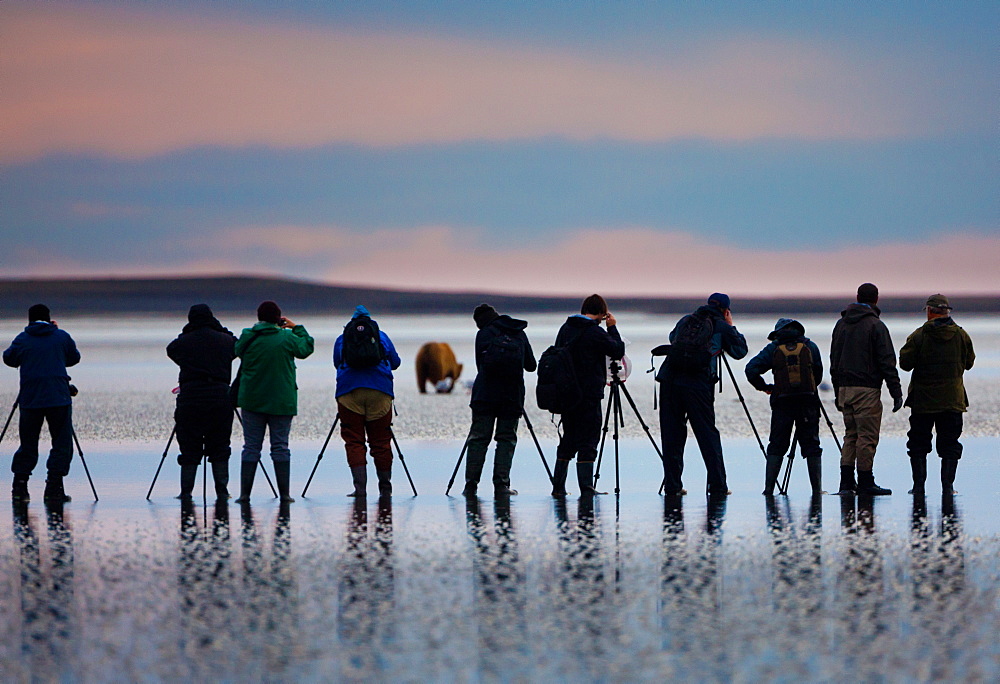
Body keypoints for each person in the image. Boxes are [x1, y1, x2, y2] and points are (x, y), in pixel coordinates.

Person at [657, 293, 747, 496]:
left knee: (672, 435)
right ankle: (717, 487)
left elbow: (673, 339)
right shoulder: (720, 325)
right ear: (726, 310)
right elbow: (740, 351)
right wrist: (730, 327)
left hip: (670, 380)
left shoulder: (686, 320)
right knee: (707, 435)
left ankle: (673, 486)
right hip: (698, 384)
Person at [234, 301, 314, 503]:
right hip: (281, 401)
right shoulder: (287, 337)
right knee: (280, 446)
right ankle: (285, 495)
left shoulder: (248, 336)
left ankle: (245, 495)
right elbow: (306, 348)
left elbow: (237, 350)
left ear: (259, 317)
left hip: (252, 400)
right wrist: (296, 327)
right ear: (278, 318)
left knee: (251, 447)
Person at [830, 283, 902, 496]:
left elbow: (834, 360)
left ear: (857, 297)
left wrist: (837, 391)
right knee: (867, 437)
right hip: (867, 389)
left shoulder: (841, 324)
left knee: (850, 435)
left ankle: (845, 483)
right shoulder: (876, 325)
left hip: (844, 389)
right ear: (876, 299)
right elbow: (887, 361)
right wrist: (896, 392)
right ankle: (865, 482)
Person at [898, 294, 975, 495]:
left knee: (918, 444)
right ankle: (948, 488)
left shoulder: (918, 336)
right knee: (950, 444)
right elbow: (969, 363)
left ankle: (918, 487)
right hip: (952, 401)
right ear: (947, 311)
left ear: (930, 311)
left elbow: (905, 365)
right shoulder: (961, 335)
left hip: (923, 401)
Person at [3, 304, 81, 503]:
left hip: (30, 399)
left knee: (28, 444)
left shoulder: (23, 339)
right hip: (58, 398)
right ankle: (53, 488)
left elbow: (9, 359)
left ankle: (19, 488)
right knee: (61, 443)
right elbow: (74, 358)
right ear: (49, 318)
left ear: (29, 320)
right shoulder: (61, 336)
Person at [550, 294, 625, 497]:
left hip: (567, 395)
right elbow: (617, 350)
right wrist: (612, 327)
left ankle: (558, 487)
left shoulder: (565, 329)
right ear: (601, 313)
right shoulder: (594, 332)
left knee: (569, 439)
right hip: (589, 395)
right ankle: (586, 488)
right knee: (589, 440)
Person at [462, 303, 537, 497]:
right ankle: (501, 485)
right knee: (506, 440)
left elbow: (481, 367)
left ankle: (470, 486)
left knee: (479, 439)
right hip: (511, 396)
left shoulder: (483, 334)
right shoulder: (518, 331)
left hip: (485, 396)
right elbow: (531, 365)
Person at [745, 318, 824, 496]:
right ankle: (817, 490)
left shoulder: (773, 348)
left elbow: (751, 369)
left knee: (777, 445)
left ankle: (769, 489)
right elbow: (817, 374)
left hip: (782, 403)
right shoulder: (810, 346)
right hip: (808, 402)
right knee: (812, 445)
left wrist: (766, 387)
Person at [166, 304, 237, 501]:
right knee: (220, 446)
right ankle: (222, 492)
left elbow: (171, 350)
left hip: (190, 398)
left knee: (189, 446)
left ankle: (186, 493)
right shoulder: (225, 340)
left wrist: (188, 332)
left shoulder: (184, 342)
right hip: (220, 398)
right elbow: (237, 345)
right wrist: (219, 328)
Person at [333, 305, 401, 498]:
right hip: (380, 391)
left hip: (349, 393)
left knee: (354, 440)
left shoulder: (343, 338)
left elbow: (337, 362)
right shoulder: (382, 336)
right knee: (380, 442)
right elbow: (395, 363)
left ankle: (360, 489)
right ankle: (385, 488)